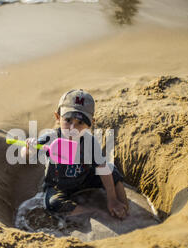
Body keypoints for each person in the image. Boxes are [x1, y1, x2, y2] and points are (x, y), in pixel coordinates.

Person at [22, 89, 128, 219]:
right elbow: (25, 155)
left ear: (90, 124)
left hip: (85, 179)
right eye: (68, 120)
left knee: (111, 170)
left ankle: (121, 206)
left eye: (80, 123)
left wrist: (112, 198)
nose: (73, 128)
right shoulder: (52, 138)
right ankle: (92, 211)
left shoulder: (90, 142)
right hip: (59, 185)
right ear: (57, 117)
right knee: (53, 204)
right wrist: (29, 148)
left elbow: (102, 169)